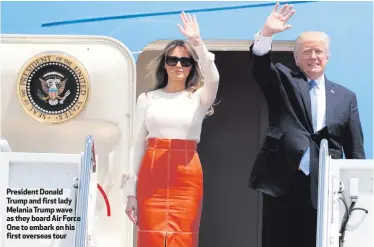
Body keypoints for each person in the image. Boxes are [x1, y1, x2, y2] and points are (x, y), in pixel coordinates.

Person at [248, 3, 365, 247]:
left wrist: (358, 194)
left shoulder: (346, 97)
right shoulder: (284, 79)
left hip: (326, 186)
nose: (313, 56)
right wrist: (266, 34)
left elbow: (355, 149)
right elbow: (260, 68)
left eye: (318, 51)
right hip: (282, 182)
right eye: (307, 51)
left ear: (328, 56)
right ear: (296, 58)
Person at [123, 12, 219, 247]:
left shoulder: (198, 97)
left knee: (183, 238)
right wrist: (130, 192)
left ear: (191, 67)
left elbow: (214, 79)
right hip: (151, 173)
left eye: (185, 61)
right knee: (151, 238)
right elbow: (136, 145)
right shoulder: (147, 98)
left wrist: (197, 42)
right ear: (164, 64)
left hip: (186, 176)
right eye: (172, 60)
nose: (178, 65)